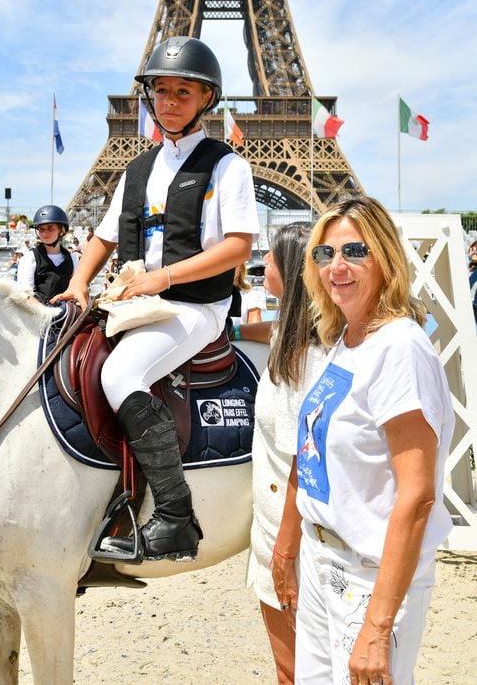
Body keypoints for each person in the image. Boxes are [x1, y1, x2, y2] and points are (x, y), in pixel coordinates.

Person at [53, 36, 259, 561]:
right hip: (134, 302)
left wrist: (162, 278)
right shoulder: (137, 169)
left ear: (206, 98)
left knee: (121, 374)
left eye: (182, 92)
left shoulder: (227, 166)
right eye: (161, 91)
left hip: (195, 307)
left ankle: (175, 515)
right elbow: (103, 237)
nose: (169, 101)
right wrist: (78, 283)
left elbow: (238, 245)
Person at [276, 195, 454, 685]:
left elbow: (417, 496)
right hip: (323, 561)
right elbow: (311, 452)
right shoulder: (347, 339)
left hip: (368, 575)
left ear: (386, 257)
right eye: (325, 254)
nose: (337, 266)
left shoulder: (399, 348)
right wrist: (290, 548)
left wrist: (377, 627)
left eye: (355, 251)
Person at [246, 224, 325, 685]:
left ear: (292, 272)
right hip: (278, 526)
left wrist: (283, 552)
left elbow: (303, 459)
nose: (264, 265)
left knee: (293, 670)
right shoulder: (292, 337)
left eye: (271, 259)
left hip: (289, 536)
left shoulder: (304, 358)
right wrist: (232, 329)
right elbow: (269, 330)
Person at [16, 205, 78, 303]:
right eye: (41, 229)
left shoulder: (72, 258)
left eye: (50, 228)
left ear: (61, 231)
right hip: (37, 310)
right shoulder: (29, 258)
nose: (45, 233)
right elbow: (25, 295)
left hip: (66, 309)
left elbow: (76, 289)